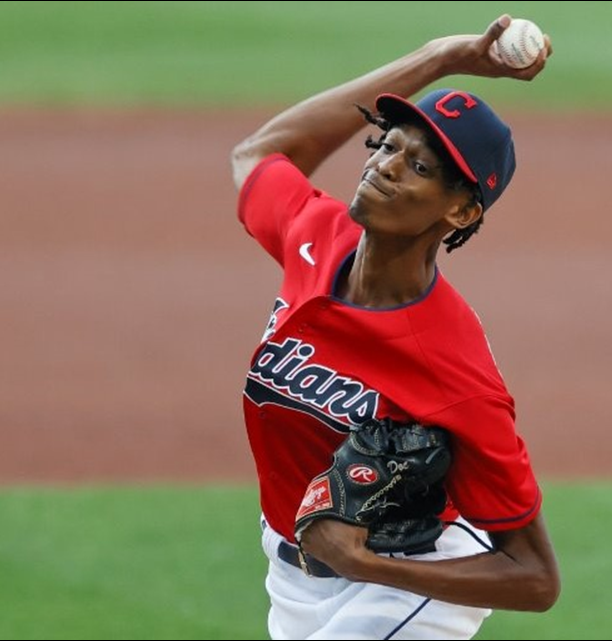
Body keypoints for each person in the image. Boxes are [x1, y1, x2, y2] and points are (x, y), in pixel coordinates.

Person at [230, 14, 559, 640]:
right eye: (388, 145)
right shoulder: (318, 238)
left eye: (421, 168)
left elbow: (536, 578)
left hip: (412, 582)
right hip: (292, 579)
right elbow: (262, 155)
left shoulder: (450, 365)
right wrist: (438, 57)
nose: (385, 165)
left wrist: (365, 564)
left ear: (461, 209)